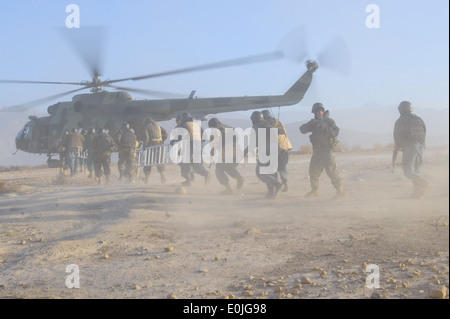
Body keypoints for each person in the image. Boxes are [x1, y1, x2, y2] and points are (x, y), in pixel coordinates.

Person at [299, 103, 346, 199]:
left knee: (331, 171)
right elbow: (302, 130)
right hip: (317, 152)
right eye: (317, 111)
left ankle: (340, 190)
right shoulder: (314, 122)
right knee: (313, 171)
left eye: (320, 110)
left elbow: (336, 132)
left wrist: (327, 128)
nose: (319, 112)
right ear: (314, 112)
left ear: (323, 111)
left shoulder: (329, 121)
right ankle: (315, 190)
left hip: (327, 151)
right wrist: (310, 123)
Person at [393, 101, 428, 198]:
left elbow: (397, 134)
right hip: (421, 147)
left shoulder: (401, 120)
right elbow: (424, 132)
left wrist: (398, 145)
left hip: (410, 147)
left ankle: (421, 182)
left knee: (408, 170)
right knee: (416, 169)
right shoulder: (419, 119)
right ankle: (418, 194)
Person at [170, 112, 210, 186]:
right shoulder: (197, 125)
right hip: (198, 147)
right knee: (197, 165)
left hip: (189, 147)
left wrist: (174, 143)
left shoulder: (182, 126)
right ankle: (206, 173)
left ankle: (187, 181)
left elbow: (178, 138)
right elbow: (205, 136)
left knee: (184, 164)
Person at [251, 111, 283, 199]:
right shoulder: (268, 124)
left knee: (260, 172)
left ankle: (277, 184)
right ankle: (271, 193)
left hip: (266, 151)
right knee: (271, 172)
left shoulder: (256, 127)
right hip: (276, 150)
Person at [208, 117, 244, 194]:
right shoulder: (227, 128)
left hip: (228, 154)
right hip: (238, 153)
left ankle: (228, 189)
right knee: (228, 167)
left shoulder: (215, 131)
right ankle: (239, 178)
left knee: (219, 170)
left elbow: (213, 146)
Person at [262, 110, 293, 192]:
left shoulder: (264, 123)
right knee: (282, 168)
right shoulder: (278, 122)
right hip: (285, 147)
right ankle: (285, 185)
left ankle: (275, 186)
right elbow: (285, 132)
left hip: (274, 148)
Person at [142, 117, 169, 184]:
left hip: (151, 146)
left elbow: (146, 138)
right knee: (159, 161)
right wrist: (161, 141)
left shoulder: (147, 127)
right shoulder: (158, 127)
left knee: (148, 162)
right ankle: (163, 177)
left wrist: (144, 146)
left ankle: (146, 179)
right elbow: (166, 134)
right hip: (160, 146)